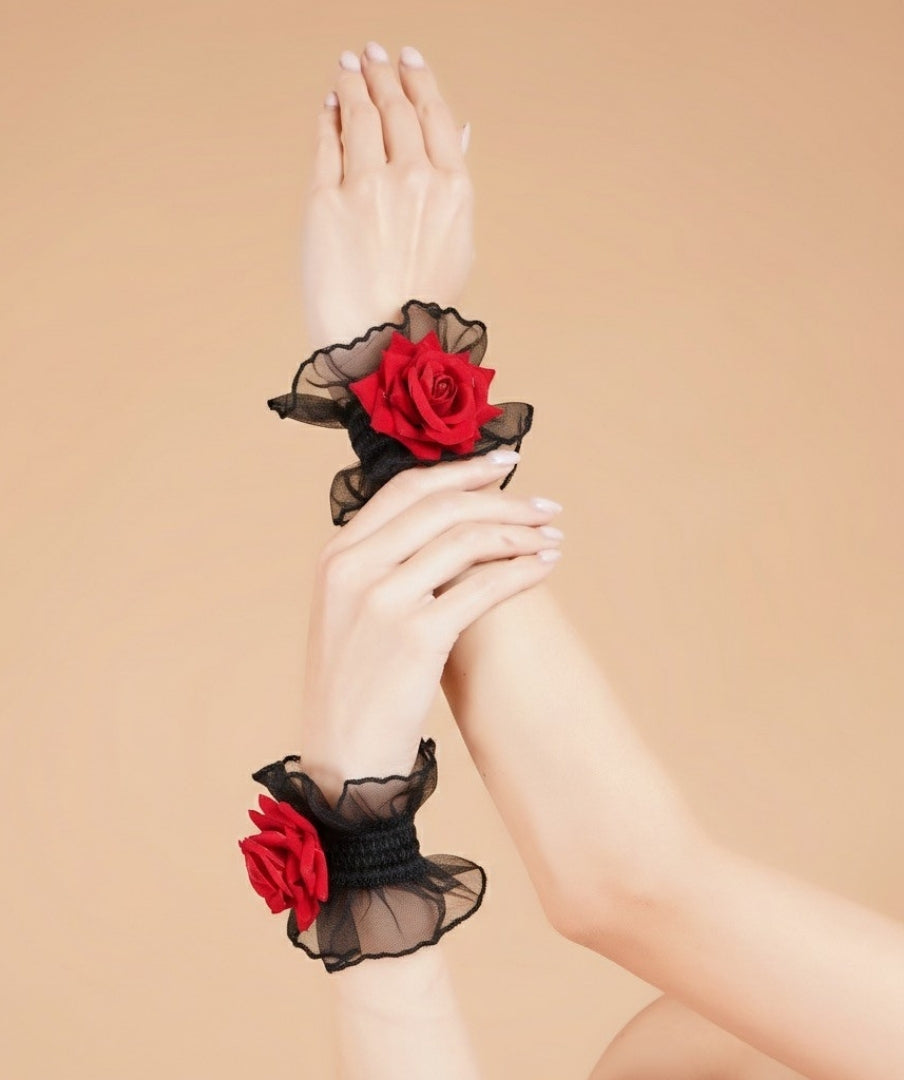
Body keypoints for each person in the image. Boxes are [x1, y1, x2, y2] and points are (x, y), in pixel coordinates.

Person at [275, 40, 904, 1080]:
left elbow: (630, 889)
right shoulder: (713, 1045)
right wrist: (392, 384)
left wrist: (364, 836)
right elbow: (629, 886)